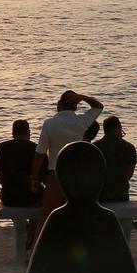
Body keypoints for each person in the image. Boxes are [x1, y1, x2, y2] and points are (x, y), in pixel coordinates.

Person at [30, 90, 104, 235]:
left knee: (46, 216)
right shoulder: (82, 122)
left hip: (55, 175)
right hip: (76, 176)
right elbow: (98, 106)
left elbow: (40, 153)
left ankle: (36, 251)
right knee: (76, 215)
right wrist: (82, 97)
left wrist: (34, 176)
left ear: (59, 104)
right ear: (76, 107)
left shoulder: (49, 124)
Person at [0, 119, 42, 250]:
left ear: (13, 133)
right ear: (29, 132)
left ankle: (25, 228)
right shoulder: (36, 149)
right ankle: (31, 236)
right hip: (31, 197)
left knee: (2, 194)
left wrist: (8, 186)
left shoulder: (2, 147)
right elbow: (43, 176)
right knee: (42, 199)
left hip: (9, 197)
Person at [93, 116, 136, 202]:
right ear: (118, 128)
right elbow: (129, 174)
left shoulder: (94, 147)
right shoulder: (129, 148)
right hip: (120, 194)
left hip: (99, 195)